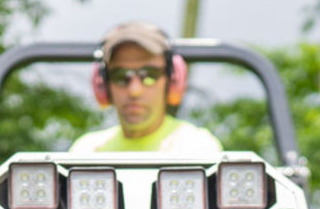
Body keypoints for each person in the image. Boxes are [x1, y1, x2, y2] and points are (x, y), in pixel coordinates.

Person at [70, 21, 223, 157]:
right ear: (103, 84)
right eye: (120, 76)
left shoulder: (199, 149)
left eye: (150, 76)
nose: (134, 90)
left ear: (173, 80)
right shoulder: (86, 152)